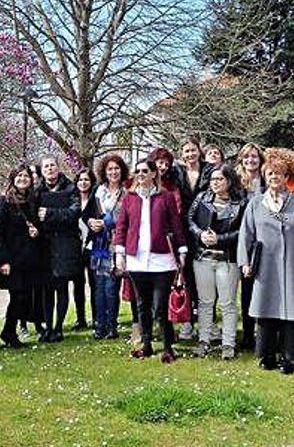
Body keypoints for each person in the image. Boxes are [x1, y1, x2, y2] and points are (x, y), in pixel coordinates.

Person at [238, 156, 294, 375]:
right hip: (265, 266)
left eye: (279, 173)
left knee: (292, 310)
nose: (275, 177)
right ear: (266, 177)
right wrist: (244, 262)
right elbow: (245, 235)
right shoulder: (255, 204)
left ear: (287, 177)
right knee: (266, 309)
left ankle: (289, 356)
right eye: (271, 173)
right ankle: (266, 355)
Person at [114, 158, 187, 363]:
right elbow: (121, 227)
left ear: (154, 174)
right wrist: (119, 254)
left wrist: (182, 250)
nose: (141, 175)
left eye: (145, 171)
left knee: (160, 306)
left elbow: (176, 224)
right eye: (137, 171)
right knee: (141, 304)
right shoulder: (130, 198)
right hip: (137, 260)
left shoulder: (166, 197)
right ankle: (146, 345)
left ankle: (167, 347)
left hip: (162, 260)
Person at [188, 164, 246, 359]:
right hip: (203, 258)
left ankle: (228, 343)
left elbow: (243, 231)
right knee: (205, 302)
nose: (215, 183)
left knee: (228, 303)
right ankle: (204, 340)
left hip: (227, 259)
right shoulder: (201, 198)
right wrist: (200, 234)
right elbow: (190, 220)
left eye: (220, 179)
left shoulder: (241, 202)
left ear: (229, 181)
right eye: (213, 180)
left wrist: (220, 239)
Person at [34, 156, 81, 343]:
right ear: (42, 170)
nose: (50, 169)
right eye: (46, 166)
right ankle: (48, 327)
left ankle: (59, 327)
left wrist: (50, 214)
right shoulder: (37, 191)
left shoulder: (71, 188)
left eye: (52, 165)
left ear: (58, 167)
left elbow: (73, 213)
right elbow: (34, 215)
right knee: (46, 289)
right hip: (44, 246)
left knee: (62, 287)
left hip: (65, 245)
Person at [0, 165, 41, 348]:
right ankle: (9, 332)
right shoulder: (4, 201)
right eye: (19, 176)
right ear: (13, 179)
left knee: (25, 297)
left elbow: (36, 225)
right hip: (12, 259)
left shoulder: (32, 200)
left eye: (26, 176)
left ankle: (10, 331)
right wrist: (3, 260)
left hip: (28, 258)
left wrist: (36, 231)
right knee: (17, 296)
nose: (23, 179)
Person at [83, 155, 128, 340]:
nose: (113, 172)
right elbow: (86, 214)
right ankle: (99, 324)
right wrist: (92, 221)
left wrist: (107, 222)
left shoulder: (126, 193)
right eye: (109, 169)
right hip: (98, 245)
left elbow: (128, 218)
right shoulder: (98, 191)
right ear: (104, 171)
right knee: (98, 286)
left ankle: (111, 325)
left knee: (111, 286)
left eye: (116, 168)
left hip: (115, 243)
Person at [172, 137, 211, 341]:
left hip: (204, 225)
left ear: (199, 151)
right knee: (185, 276)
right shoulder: (176, 172)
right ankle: (187, 323)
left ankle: (207, 323)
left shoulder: (210, 170)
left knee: (205, 277)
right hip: (183, 227)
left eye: (193, 150)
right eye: (186, 151)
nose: (190, 155)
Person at [234, 142, 265, 350]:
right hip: (239, 237)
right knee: (245, 289)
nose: (250, 160)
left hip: (263, 240)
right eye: (246, 157)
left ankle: (263, 332)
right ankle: (247, 333)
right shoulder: (237, 183)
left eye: (254, 156)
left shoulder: (266, 180)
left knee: (261, 287)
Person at [73, 168, 97, 332]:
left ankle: (97, 317)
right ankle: (80, 318)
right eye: (80, 180)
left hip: (93, 246)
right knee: (78, 284)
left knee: (94, 282)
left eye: (86, 180)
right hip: (75, 247)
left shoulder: (96, 200)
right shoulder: (72, 199)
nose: (83, 183)